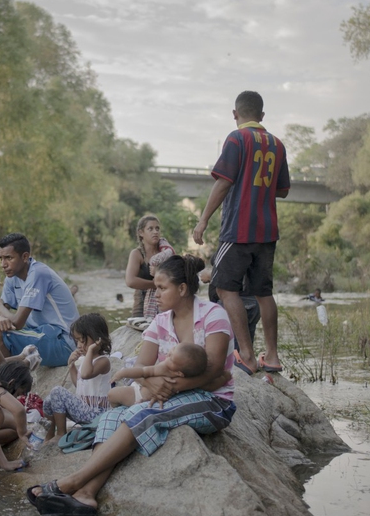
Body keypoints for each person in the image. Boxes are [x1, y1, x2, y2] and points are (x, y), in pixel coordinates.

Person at [26, 254, 235, 516]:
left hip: (212, 401)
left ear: (182, 289)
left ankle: (72, 481)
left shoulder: (213, 315)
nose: (155, 294)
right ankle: (87, 495)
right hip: (168, 397)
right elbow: (140, 371)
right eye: (155, 287)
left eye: (161, 288)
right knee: (111, 416)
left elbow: (216, 371)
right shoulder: (160, 322)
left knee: (141, 413)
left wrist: (169, 387)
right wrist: (154, 381)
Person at [193, 91, 290, 375]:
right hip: (268, 230)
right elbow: (283, 190)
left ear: (235, 114)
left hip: (238, 229)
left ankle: (246, 355)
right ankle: (271, 356)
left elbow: (223, 182)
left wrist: (203, 220)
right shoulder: (277, 143)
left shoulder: (236, 139)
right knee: (263, 292)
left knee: (224, 288)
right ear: (262, 116)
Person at [0, 233, 80, 367]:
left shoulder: (38, 273)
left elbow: (17, 322)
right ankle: (4, 374)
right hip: (42, 334)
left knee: (0, 334)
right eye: (1, 259)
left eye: (9, 258)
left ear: (25, 256)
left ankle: (8, 379)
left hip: (64, 342)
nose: (3, 264)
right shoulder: (11, 277)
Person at [42, 313, 113, 442]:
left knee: (57, 391)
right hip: (84, 411)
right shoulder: (86, 361)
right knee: (49, 400)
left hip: (97, 415)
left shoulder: (103, 361)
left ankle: (61, 434)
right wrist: (71, 366)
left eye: (82, 340)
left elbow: (86, 375)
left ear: (97, 339)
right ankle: (51, 430)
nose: (79, 345)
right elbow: (79, 384)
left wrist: (91, 351)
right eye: (77, 341)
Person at [109, 342, 208, 407]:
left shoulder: (164, 368)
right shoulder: (185, 376)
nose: (167, 355)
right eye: (172, 350)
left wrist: (123, 373)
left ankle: (117, 409)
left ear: (179, 373)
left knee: (111, 394)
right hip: (150, 397)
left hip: (139, 395)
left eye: (171, 357)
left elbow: (143, 372)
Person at [125, 215, 175, 321]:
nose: (155, 232)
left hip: (164, 300)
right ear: (141, 233)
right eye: (150, 229)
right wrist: (156, 285)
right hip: (141, 301)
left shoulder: (165, 253)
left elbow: (175, 276)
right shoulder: (137, 254)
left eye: (157, 228)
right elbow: (130, 281)